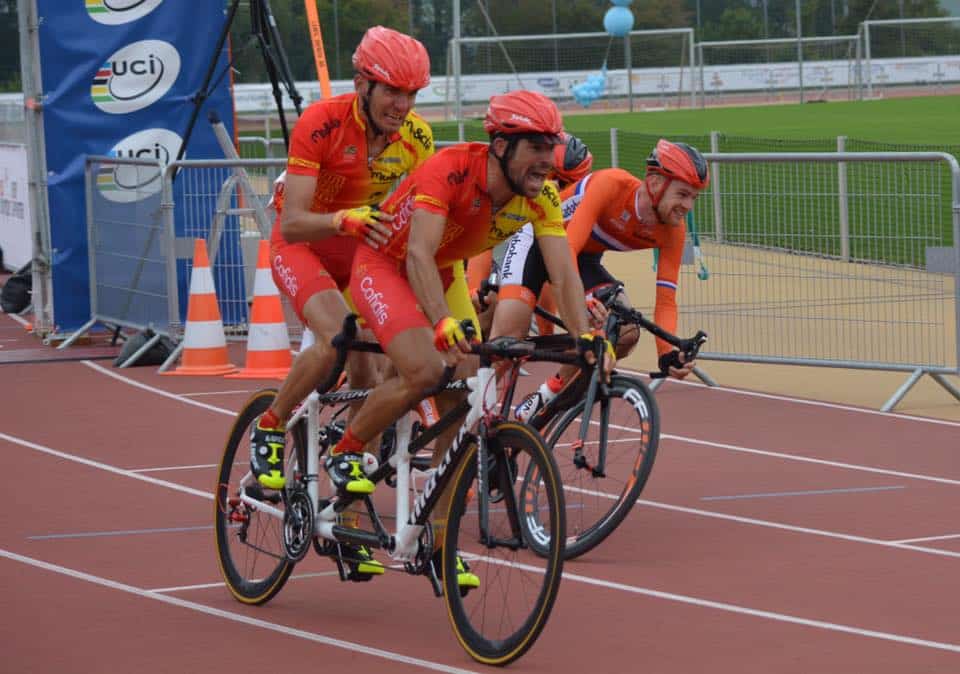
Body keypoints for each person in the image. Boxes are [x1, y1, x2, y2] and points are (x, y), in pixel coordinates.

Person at [338, 90, 615, 588]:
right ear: (502, 146)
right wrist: (444, 323)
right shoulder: (449, 169)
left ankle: (438, 541)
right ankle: (345, 461)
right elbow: (418, 254)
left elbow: (565, 275)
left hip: (441, 273)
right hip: (386, 267)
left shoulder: (542, 195)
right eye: (536, 147)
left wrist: (587, 337)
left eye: (552, 146)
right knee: (426, 368)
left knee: (466, 394)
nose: (548, 160)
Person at [248, 26, 433, 579]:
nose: (402, 106)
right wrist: (342, 219)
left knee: (374, 367)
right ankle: (270, 426)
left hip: (361, 255)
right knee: (334, 337)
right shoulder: (322, 123)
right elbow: (294, 220)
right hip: (304, 242)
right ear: (362, 85)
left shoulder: (417, 139)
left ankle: (349, 515)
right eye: (392, 92)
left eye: (412, 94)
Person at [488, 139, 709, 422]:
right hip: (539, 243)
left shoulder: (673, 231)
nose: (688, 206)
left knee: (625, 331)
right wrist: (583, 300)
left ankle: (546, 398)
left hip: (582, 260)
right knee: (507, 342)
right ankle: (468, 414)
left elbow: (666, 300)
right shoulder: (611, 184)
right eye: (682, 194)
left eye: (694, 197)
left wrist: (667, 354)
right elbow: (564, 252)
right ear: (655, 182)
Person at [464, 132, 594, 336]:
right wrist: (474, 290)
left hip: (511, 259)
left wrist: (547, 332)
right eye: (551, 179)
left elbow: (556, 277)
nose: (554, 189)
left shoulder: (564, 208)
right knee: (487, 309)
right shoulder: (514, 193)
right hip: (472, 251)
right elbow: (483, 248)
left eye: (566, 184)